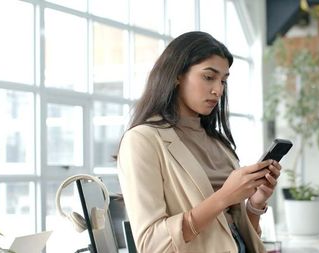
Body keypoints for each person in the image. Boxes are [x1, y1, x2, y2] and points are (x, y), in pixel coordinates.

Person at [117, 31, 281, 253]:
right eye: (208, 77)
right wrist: (223, 197)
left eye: (223, 80)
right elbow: (151, 244)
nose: (218, 90)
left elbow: (235, 237)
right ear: (177, 75)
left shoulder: (219, 144)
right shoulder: (142, 140)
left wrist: (255, 203)